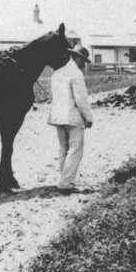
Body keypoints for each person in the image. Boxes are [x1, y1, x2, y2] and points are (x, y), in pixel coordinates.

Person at [48, 46, 93, 194]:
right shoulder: (76, 74)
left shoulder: (57, 73)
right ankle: (66, 183)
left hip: (58, 116)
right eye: (84, 61)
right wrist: (88, 118)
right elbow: (81, 99)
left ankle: (65, 179)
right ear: (78, 58)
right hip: (73, 118)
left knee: (63, 149)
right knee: (75, 150)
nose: (84, 64)